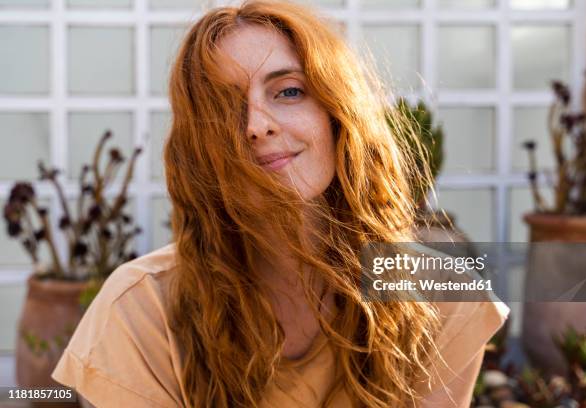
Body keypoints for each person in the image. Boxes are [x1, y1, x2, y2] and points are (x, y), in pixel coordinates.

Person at [51, 1, 509, 407]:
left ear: (336, 115)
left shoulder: (440, 296)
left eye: (288, 91)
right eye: (225, 107)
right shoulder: (139, 309)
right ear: (199, 150)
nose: (257, 125)